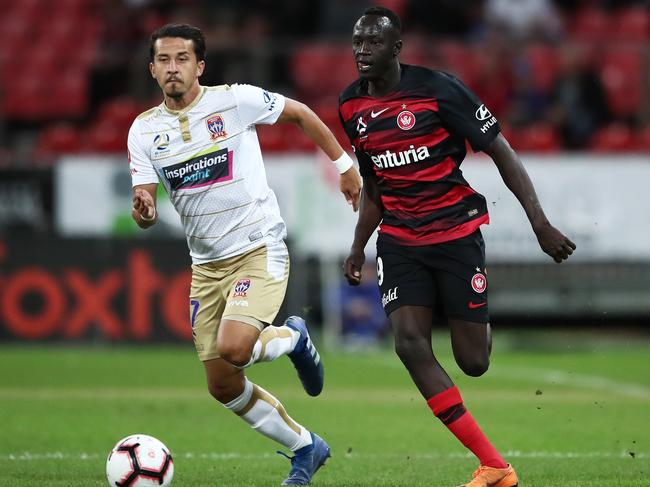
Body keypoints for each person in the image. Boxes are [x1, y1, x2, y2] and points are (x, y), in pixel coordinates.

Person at [340, 7, 575, 487]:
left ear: (397, 48)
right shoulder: (350, 107)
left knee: (474, 363)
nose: (363, 50)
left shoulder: (439, 89)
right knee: (409, 343)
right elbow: (373, 184)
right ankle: (495, 466)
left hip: (455, 235)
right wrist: (358, 246)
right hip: (400, 240)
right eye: (357, 42)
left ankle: (472, 311)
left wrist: (540, 224)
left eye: (374, 42)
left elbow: (502, 151)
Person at [128, 23, 362, 486]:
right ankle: (305, 447)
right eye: (164, 60)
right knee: (222, 384)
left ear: (200, 66)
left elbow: (299, 113)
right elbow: (145, 204)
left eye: (182, 59)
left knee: (234, 348)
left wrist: (345, 165)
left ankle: (293, 339)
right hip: (206, 265)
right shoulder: (143, 131)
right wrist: (146, 210)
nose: (173, 68)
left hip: (258, 247)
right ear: (153, 69)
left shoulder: (233, 101)